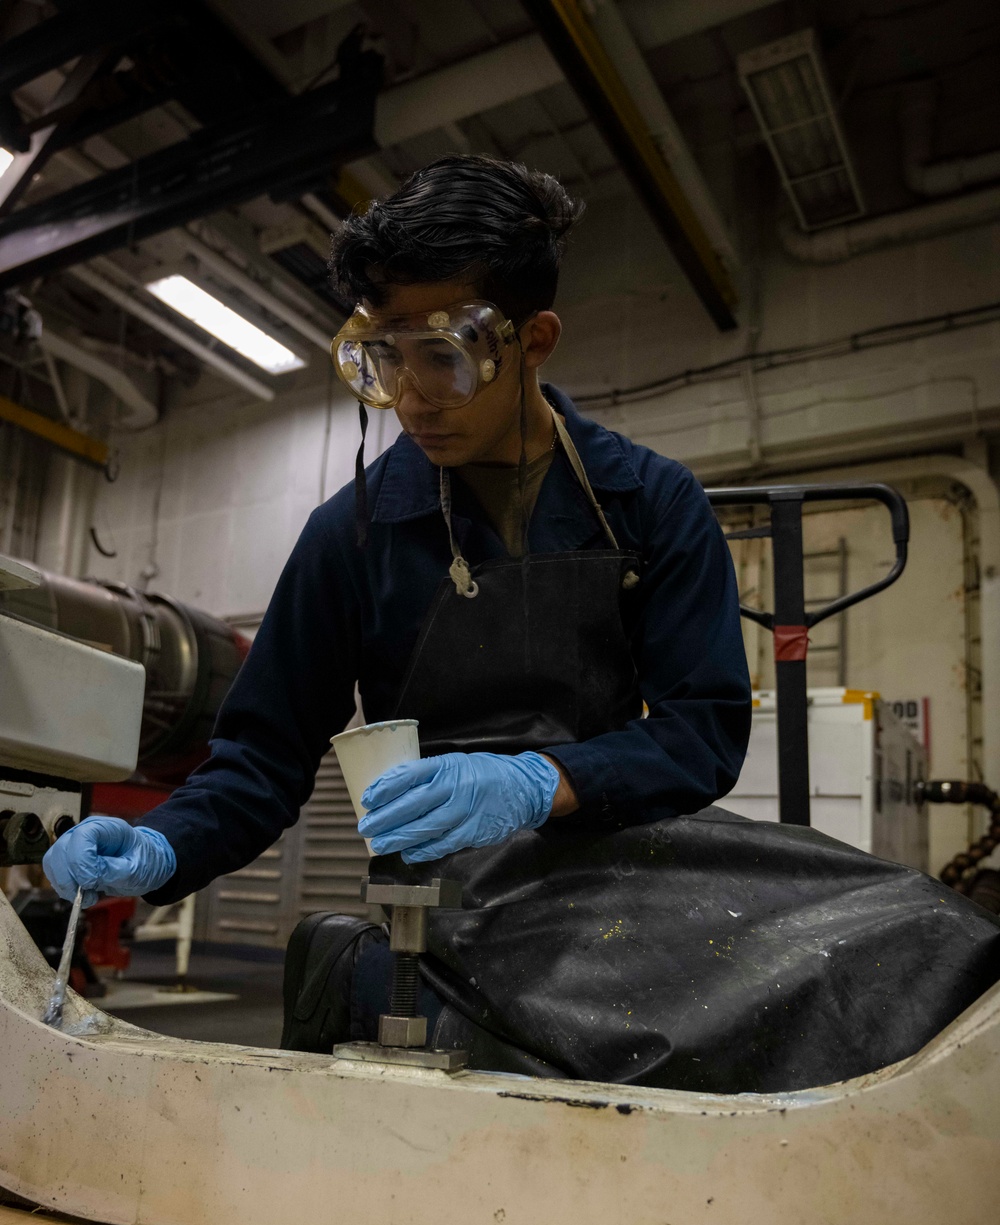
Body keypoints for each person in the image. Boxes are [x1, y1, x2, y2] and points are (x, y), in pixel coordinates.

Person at [45, 155, 1000, 1089]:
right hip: (453, 894)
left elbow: (702, 732)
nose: (411, 399)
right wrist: (169, 842)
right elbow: (263, 756)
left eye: (443, 360)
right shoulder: (354, 533)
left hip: (626, 856)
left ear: (532, 341)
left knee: (925, 943)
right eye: (384, 358)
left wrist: (546, 780)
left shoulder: (649, 503)